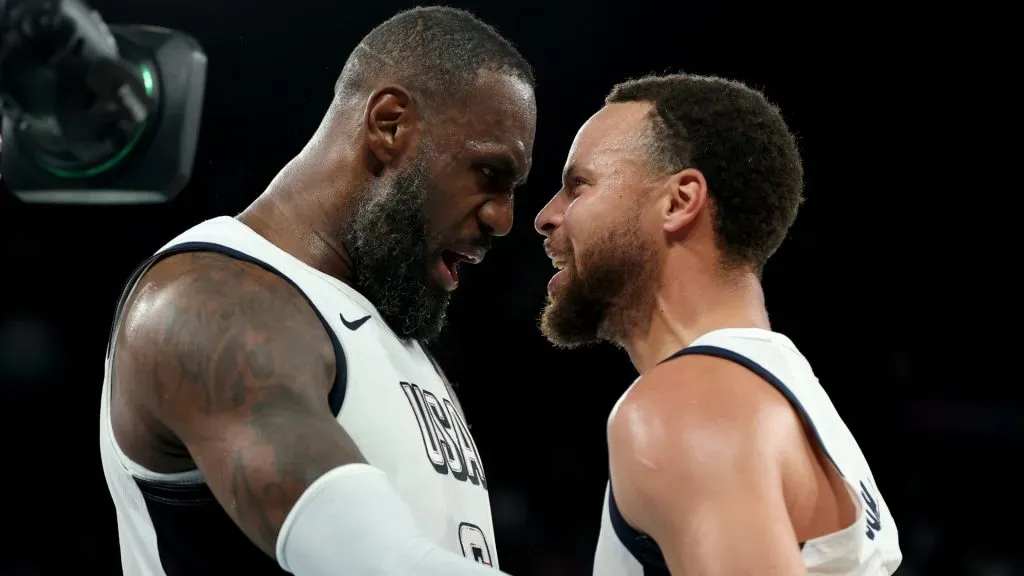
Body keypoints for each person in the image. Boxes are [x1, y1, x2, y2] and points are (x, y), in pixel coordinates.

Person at [99, 7, 535, 576]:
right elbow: (373, 563)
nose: (505, 219)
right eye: (490, 174)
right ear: (389, 125)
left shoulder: (372, 323)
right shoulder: (208, 303)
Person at [534, 73, 902, 575]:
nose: (546, 216)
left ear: (679, 201)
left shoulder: (687, 406)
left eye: (578, 186)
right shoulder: (781, 391)